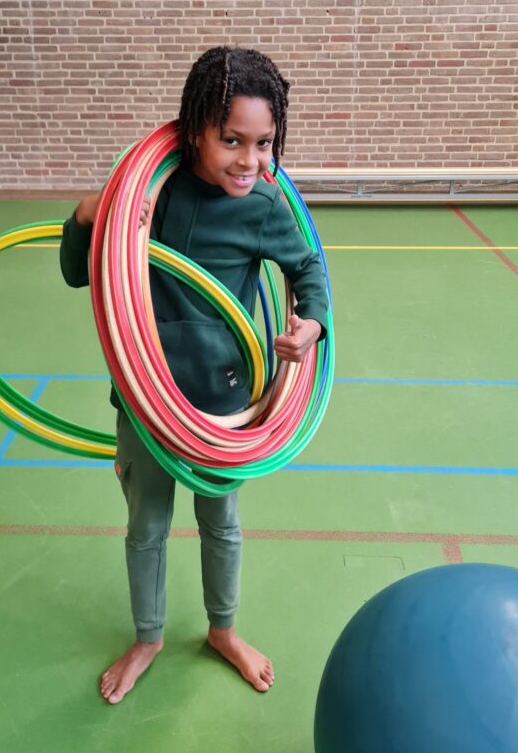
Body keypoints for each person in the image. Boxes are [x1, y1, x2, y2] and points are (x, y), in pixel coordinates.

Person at [60, 46, 329, 704]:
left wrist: (310, 324)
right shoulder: (145, 194)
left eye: (263, 143)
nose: (249, 160)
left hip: (221, 404)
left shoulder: (263, 208)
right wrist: (89, 213)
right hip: (147, 406)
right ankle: (148, 638)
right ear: (193, 133)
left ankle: (222, 630)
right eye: (231, 139)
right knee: (146, 528)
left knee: (221, 525)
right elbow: (76, 272)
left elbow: (308, 271)